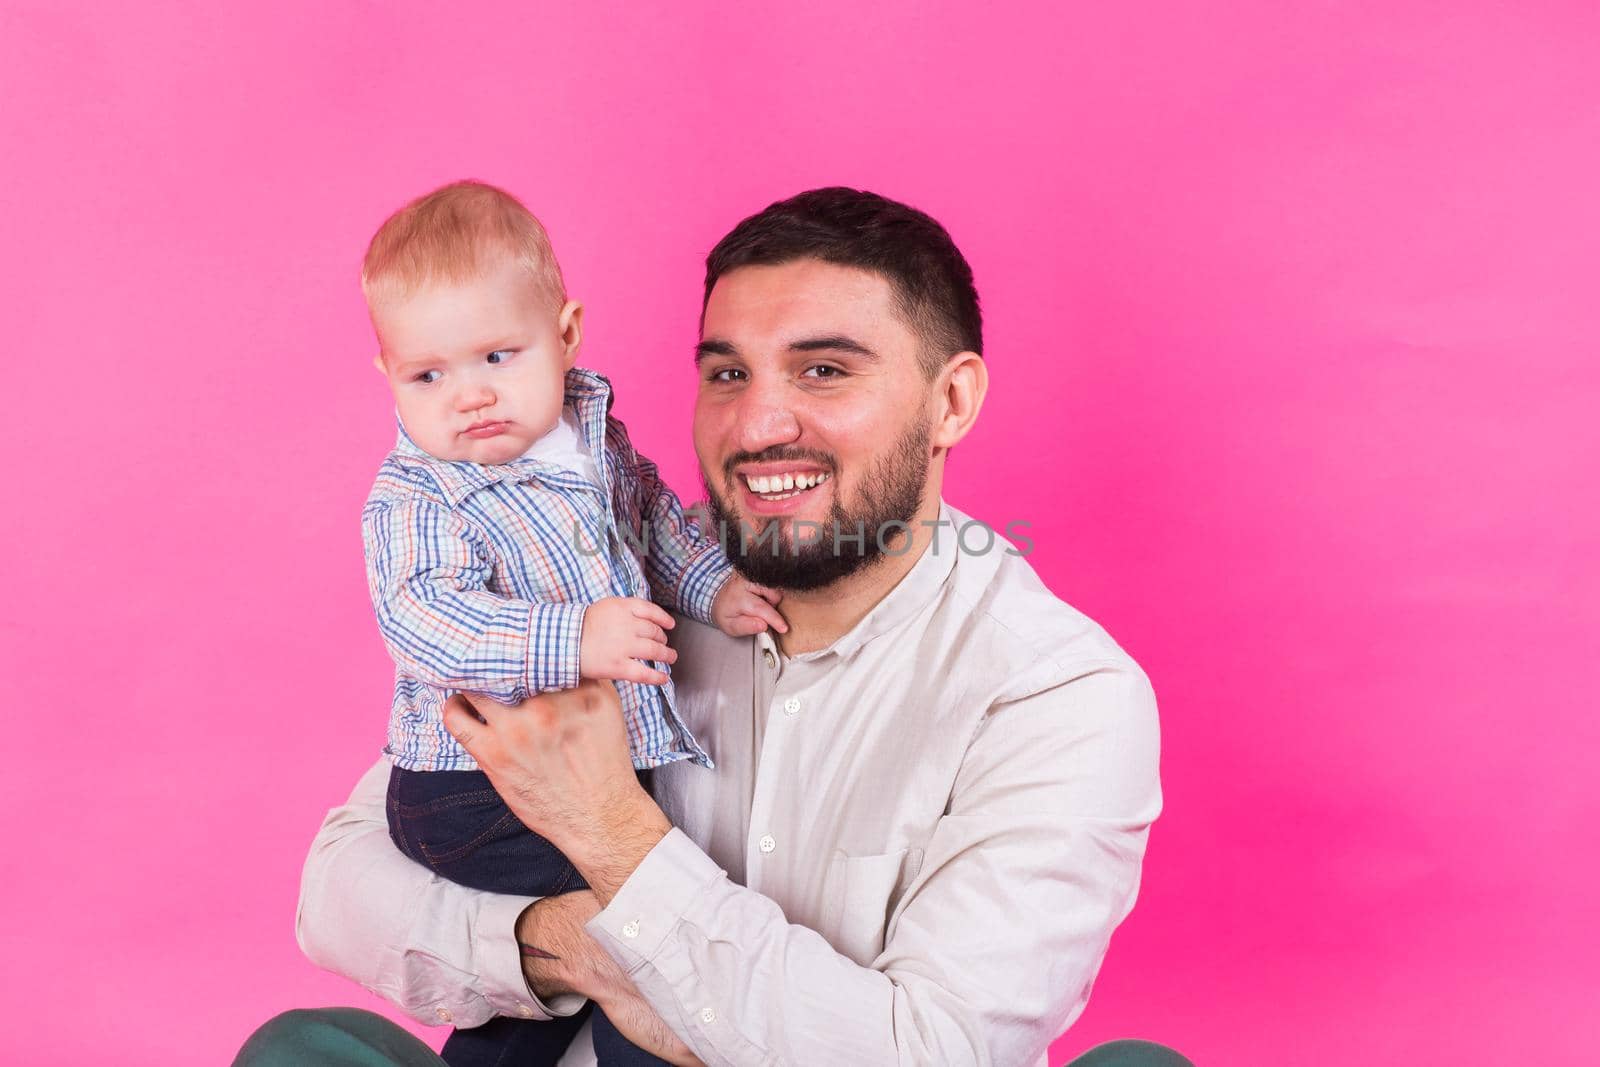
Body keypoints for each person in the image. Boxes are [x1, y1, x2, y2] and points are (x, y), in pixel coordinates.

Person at [275, 187, 1173, 1066]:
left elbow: (929, 1050)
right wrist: (582, 948)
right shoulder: (620, 576)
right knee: (297, 1053)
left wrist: (611, 832)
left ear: (951, 403)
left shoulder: (1059, 695)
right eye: (728, 373)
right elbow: (340, 883)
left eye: (825, 369)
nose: (759, 423)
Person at [357, 180, 785, 1066]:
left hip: (585, 768)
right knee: (646, 929)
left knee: (550, 984)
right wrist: (575, 638)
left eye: (498, 357)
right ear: (387, 375)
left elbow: (656, 522)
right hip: (468, 790)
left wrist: (711, 588)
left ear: (566, 334)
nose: (468, 396)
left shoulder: (593, 435)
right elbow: (424, 618)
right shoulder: (419, 495)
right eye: (427, 374)